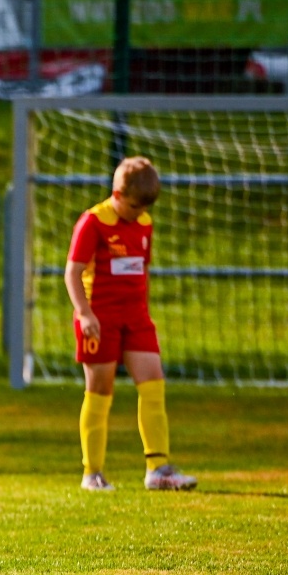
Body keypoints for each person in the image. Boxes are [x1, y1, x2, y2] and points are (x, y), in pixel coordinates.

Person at [65, 156, 197, 492]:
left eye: (145, 208)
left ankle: (159, 469)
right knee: (99, 392)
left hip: (135, 317)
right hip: (99, 316)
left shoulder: (144, 223)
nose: (140, 214)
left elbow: (141, 270)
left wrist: (143, 310)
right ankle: (92, 473)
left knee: (154, 383)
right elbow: (73, 272)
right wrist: (85, 313)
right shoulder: (92, 222)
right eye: (135, 206)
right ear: (118, 194)